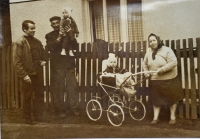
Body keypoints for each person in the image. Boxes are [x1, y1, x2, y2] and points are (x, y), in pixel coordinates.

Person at [143, 33, 184, 125]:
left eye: (154, 40)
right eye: (150, 41)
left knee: (172, 98)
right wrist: (146, 72)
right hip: (154, 79)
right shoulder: (149, 51)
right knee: (156, 99)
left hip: (169, 78)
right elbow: (144, 63)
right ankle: (155, 118)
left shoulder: (166, 50)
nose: (152, 43)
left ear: (158, 40)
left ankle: (172, 117)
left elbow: (173, 62)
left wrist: (162, 69)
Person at [13, 20, 47, 125]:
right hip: (28, 74)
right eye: (31, 28)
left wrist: (43, 60)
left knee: (39, 94)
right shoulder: (20, 42)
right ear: (25, 29)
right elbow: (16, 61)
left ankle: (38, 116)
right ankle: (27, 118)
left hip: (38, 72)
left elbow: (43, 54)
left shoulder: (37, 41)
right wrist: (24, 75)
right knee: (27, 96)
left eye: (34, 28)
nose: (34, 30)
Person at [45, 16, 79, 118]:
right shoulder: (49, 36)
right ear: (51, 25)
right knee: (59, 88)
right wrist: (59, 37)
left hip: (69, 65)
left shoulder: (69, 33)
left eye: (57, 23)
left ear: (61, 23)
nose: (55, 25)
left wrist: (71, 34)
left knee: (72, 87)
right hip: (57, 66)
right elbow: (51, 48)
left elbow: (76, 46)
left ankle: (74, 109)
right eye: (53, 23)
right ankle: (61, 110)